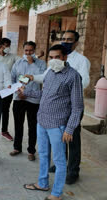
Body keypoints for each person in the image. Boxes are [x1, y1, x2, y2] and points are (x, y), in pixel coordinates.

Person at [25, 30, 90, 184]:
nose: (66, 41)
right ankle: (61, 163)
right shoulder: (55, 61)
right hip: (55, 110)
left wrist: (65, 89)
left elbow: (84, 81)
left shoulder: (81, 60)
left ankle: (73, 170)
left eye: (70, 39)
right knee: (59, 139)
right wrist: (32, 78)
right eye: (64, 39)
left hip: (72, 105)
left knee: (72, 138)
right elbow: (47, 78)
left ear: (76, 42)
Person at [22, 44, 84, 200]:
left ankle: (57, 193)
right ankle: (42, 183)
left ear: (65, 57)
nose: (54, 60)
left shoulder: (73, 76)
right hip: (42, 120)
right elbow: (44, 94)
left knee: (59, 160)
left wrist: (70, 128)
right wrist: (26, 92)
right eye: (51, 57)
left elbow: (77, 106)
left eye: (57, 57)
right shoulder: (50, 73)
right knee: (43, 154)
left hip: (58, 125)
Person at [10, 41, 47, 161]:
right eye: (26, 50)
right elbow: (13, 80)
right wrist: (18, 93)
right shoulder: (18, 63)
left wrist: (33, 63)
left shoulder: (41, 64)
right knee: (18, 124)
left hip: (34, 100)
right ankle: (17, 147)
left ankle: (31, 150)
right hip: (19, 98)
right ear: (23, 50)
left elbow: (43, 78)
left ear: (34, 51)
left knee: (33, 126)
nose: (28, 53)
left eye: (31, 50)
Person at [0, 38, 20, 141]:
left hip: (8, 88)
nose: (6, 47)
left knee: (5, 110)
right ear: (0, 46)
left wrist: (37, 56)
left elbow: (22, 60)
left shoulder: (13, 57)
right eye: (4, 45)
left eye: (8, 45)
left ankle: (4, 131)